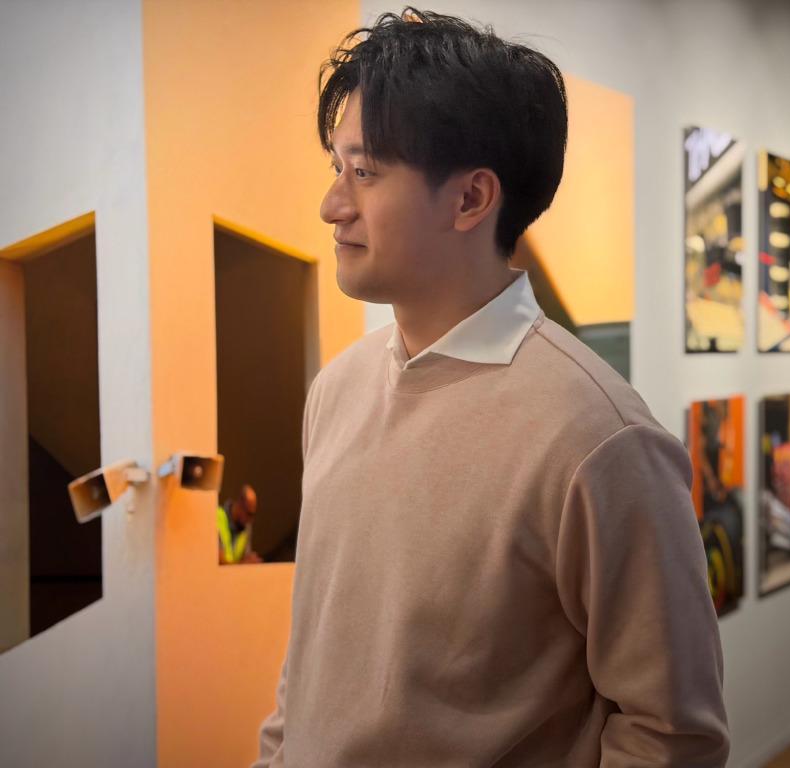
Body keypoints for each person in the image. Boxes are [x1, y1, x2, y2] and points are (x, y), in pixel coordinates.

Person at [254, 7, 729, 766]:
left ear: (472, 199)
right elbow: (312, 660)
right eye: (336, 168)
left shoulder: (598, 439)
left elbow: (672, 734)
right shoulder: (336, 390)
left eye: (365, 172)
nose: (332, 205)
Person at [217, 484, 263, 565]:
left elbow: (246, 558)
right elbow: (219, 563)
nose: (250, 520)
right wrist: (243, 564)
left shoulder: (246, 527)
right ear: (240, 505)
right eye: (249, 514)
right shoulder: (217, 517)